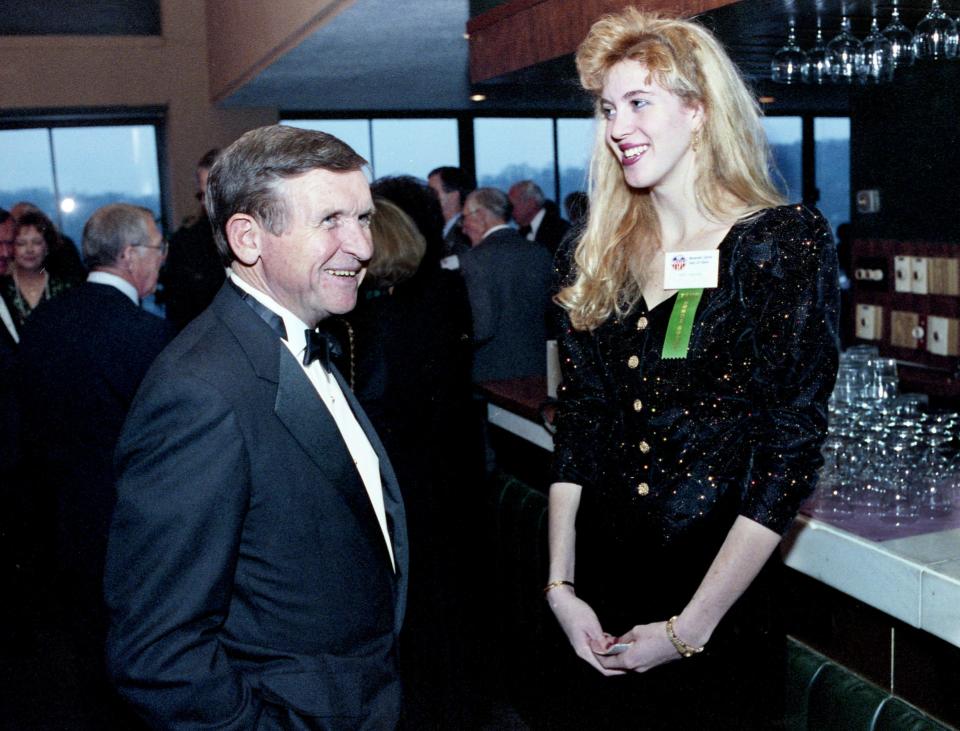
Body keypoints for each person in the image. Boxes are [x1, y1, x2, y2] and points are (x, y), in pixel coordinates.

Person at [545, 9, 839, 729]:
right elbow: (578, 422)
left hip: (717, 596)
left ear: (699, 111)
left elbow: (788, 452)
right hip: (604, 584)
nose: (618, 126)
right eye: (608, 108)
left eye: (640, 102)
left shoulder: (775, 245)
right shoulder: (594, 258)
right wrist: (560, 583)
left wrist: (690, 628)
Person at [103, 125, 408, 729]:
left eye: (364, 217)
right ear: (248, 238)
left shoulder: (301, 337)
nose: (363, 245)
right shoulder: (200, 392)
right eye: (331, 221)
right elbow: (156, 650)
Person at [15, 203, 171, 728]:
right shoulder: (146, 337)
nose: (162, 260)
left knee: (81, 660)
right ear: (129, 255)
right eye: (156, 248)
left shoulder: (43, 323)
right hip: (134, 525)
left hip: (58, 518)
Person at [459, 186, 553, 383]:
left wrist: (456, 339)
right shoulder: (539, 251)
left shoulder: (475, 258)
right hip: (538, 366)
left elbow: (482, 327)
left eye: (465, 216)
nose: (463, 226)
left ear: (481, 215)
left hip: (493, 372)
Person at [159, 147, 227, 331]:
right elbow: (178, 315)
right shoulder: (185, 243)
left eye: (212, 194)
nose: (205, 202)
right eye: (201, 195)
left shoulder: (265, 238)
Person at [0, 210, 75, 328]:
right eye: (21, 243)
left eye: (37, 242)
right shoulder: (3, 288)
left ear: (47, 247)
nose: (29, 250)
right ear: (12, 248)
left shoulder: (67, 287)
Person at [508, 180, 570, 255]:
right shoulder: (521, 233)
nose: (509, 211)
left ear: (531, 203)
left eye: (512, 206)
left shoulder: (562, 232)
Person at [427, 165, 475, 257]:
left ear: (453, 196)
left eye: (433, 192)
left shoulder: (465, 233)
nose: (428, 197)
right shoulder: (438, 228)